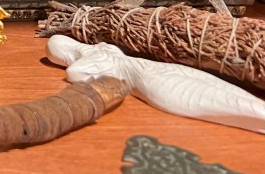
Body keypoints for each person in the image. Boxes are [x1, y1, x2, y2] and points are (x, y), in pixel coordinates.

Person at [46, 34, 265, 135]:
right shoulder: (102, 49)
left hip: (155, 77)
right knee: (218, 97)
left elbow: (73, 73)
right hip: (154, 75)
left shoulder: (91, 56)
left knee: (217, 94)